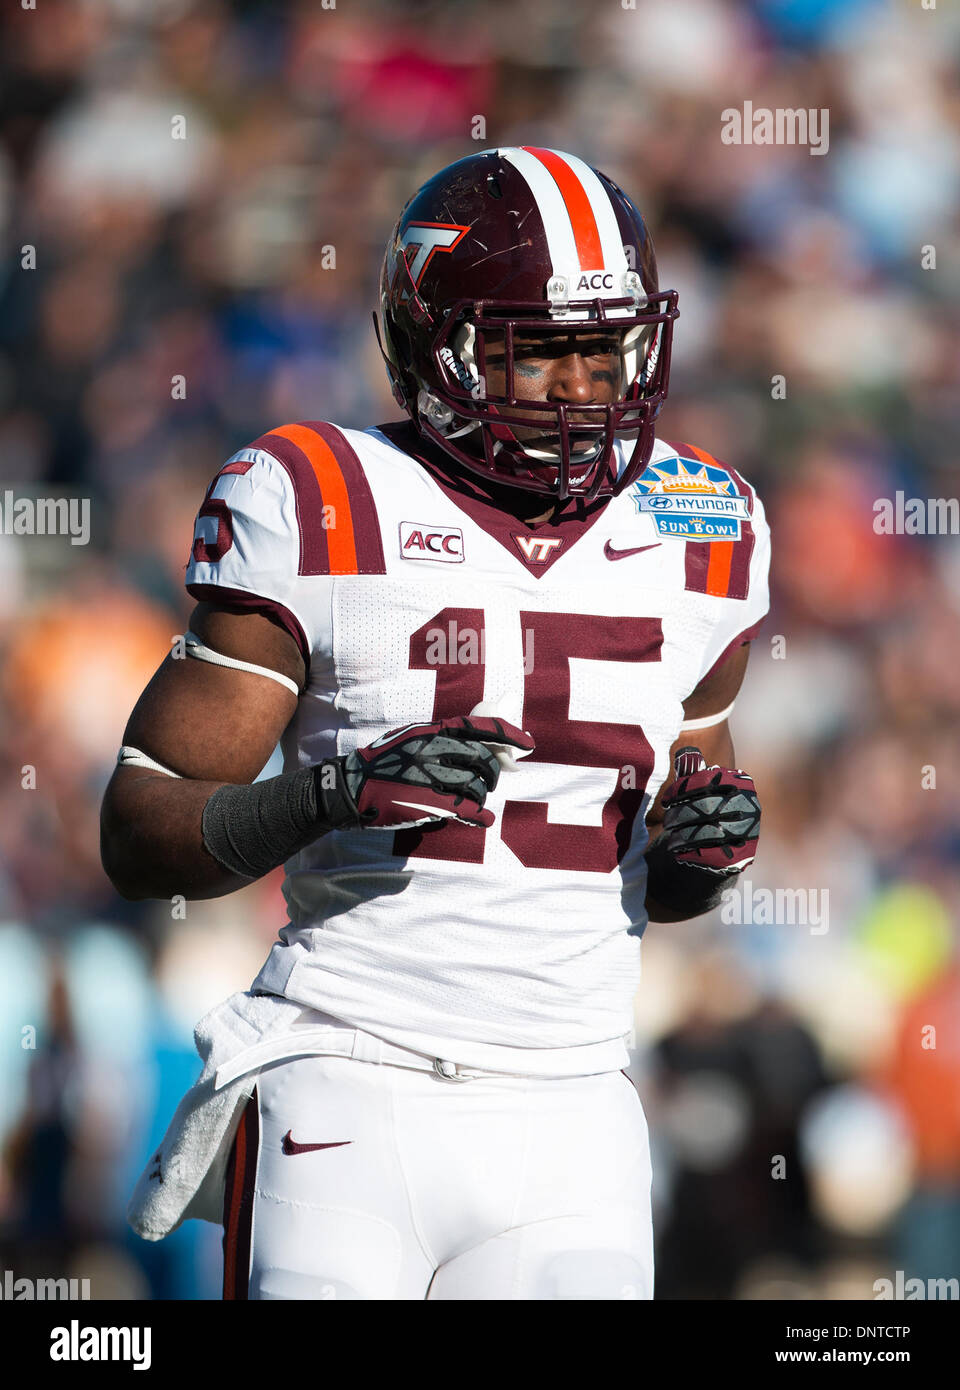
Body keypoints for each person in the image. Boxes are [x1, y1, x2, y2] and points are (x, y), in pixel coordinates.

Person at [101, 146, 768, 1300]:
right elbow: (139, 831)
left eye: (605, 344)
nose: (583, 385)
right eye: (542, 348)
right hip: (347, 1071)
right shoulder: (316, 496)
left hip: (575, 1103)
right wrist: (331, 795)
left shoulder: (704, 524)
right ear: (434, 350)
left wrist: (704, 860)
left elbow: (654, 866)